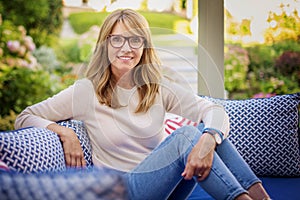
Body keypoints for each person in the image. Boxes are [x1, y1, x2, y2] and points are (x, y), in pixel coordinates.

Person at [15, 9, 270, 200]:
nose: (126, 48)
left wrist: (209, 138)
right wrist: (64, 132)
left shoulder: (158, 87)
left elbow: (213, 111)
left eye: (135, 40)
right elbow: (25, 117)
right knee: (187, 136)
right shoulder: (86, 91)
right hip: (122, 191)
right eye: (117, 40)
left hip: (164, 189)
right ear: (105, 44)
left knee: (210, 135)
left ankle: (262, 197)